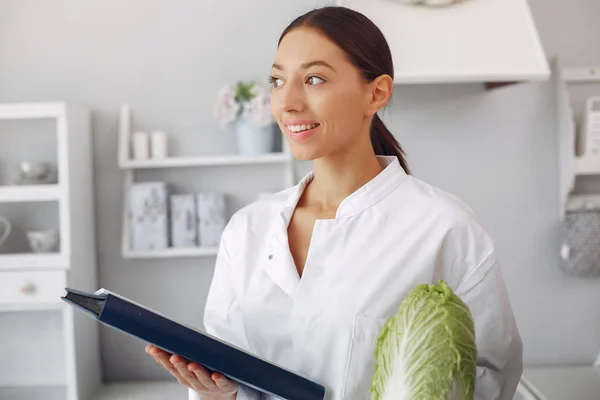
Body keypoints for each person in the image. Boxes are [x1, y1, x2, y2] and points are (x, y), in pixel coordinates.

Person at [145, 5, 523, 400]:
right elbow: (228, 371)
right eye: (277, 80)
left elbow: (493, 378)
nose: (287, 102)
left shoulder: (444, 227)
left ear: (376, 93)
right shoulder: (247, 229)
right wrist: (216, 392)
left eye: (313, 79)